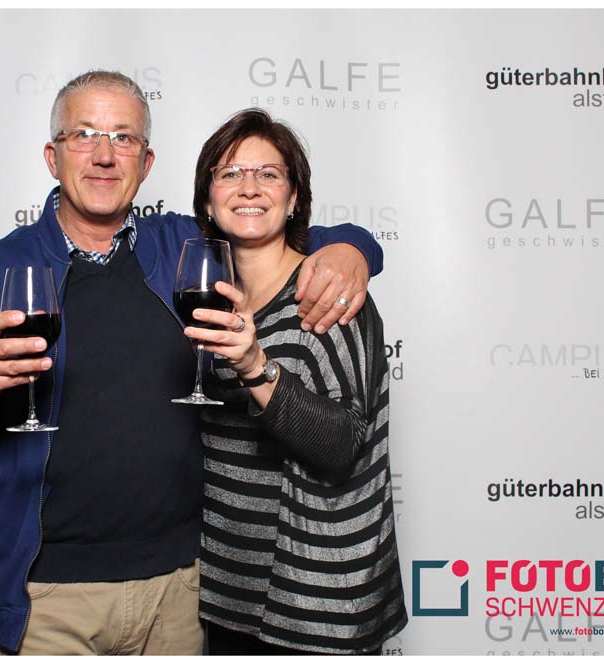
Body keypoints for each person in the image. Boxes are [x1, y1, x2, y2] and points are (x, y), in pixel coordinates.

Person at [0, 71, 384, 656]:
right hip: (48, 601)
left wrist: (352, 247)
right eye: (84, 135)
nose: (103, 155)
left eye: (123, 138)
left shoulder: (180, 247)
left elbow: (263, 223)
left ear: (146, 164)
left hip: (179, 594)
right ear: (52, 156)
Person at [182, 108, 406, 655]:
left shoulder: (328, 295)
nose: (249, 187)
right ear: (207, 201)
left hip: (315, 603)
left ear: (294, 198)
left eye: (269, 174)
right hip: (228, 593)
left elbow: (340, 447)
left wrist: (255, 366)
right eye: (230, 173)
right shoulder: (211, 300)